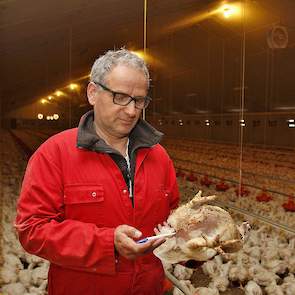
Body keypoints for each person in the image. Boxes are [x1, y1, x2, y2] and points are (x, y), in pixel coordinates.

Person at [16, 49, 179, 295]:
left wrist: (196, 242)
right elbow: (32, 229)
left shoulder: (158, 157)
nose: (132, 111)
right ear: (93, 93)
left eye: (139, 100)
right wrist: (107, 242)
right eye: (121, 97)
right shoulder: (55, 154)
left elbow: (173, 223)